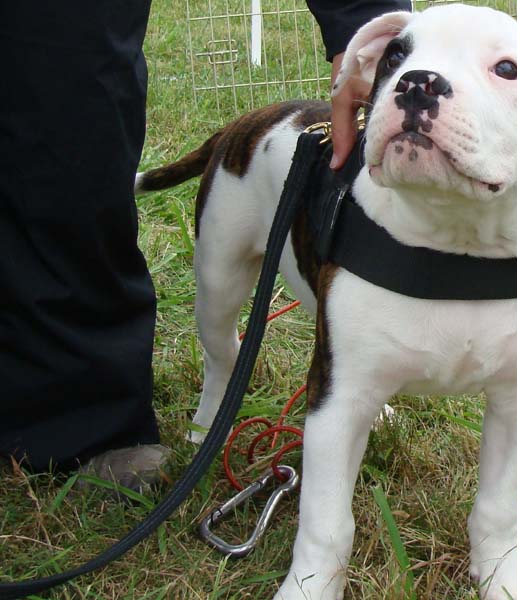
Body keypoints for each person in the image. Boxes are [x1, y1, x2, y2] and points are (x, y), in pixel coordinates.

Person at [0, 1, 408, 489]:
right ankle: (221, 373)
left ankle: (82, 416)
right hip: (246, 174)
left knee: (66, 72)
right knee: (218, 295)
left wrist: (360, 24)